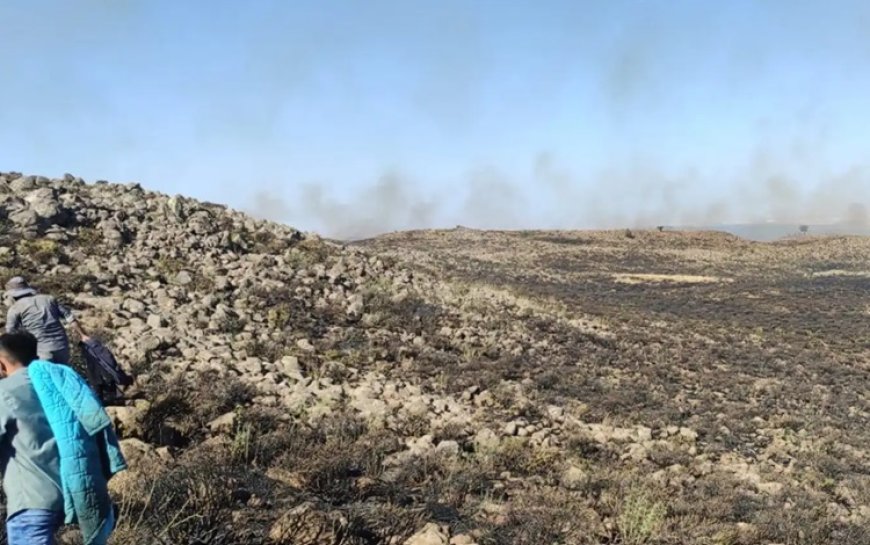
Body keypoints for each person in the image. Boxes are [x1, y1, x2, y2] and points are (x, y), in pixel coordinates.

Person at [0, 331, 126, 545]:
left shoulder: (4, 392)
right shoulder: (59, 381)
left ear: (2, 363)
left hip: (31, 499)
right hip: (73, 492)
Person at [4, 277, 89, 364]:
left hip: (40, 350)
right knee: (63, 372)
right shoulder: (49, 299)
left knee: (45, 375)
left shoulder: (15, 308)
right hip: (61, 345)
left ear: (12, 295)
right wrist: (83, 335)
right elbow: (70, 317)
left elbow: (10, 332)